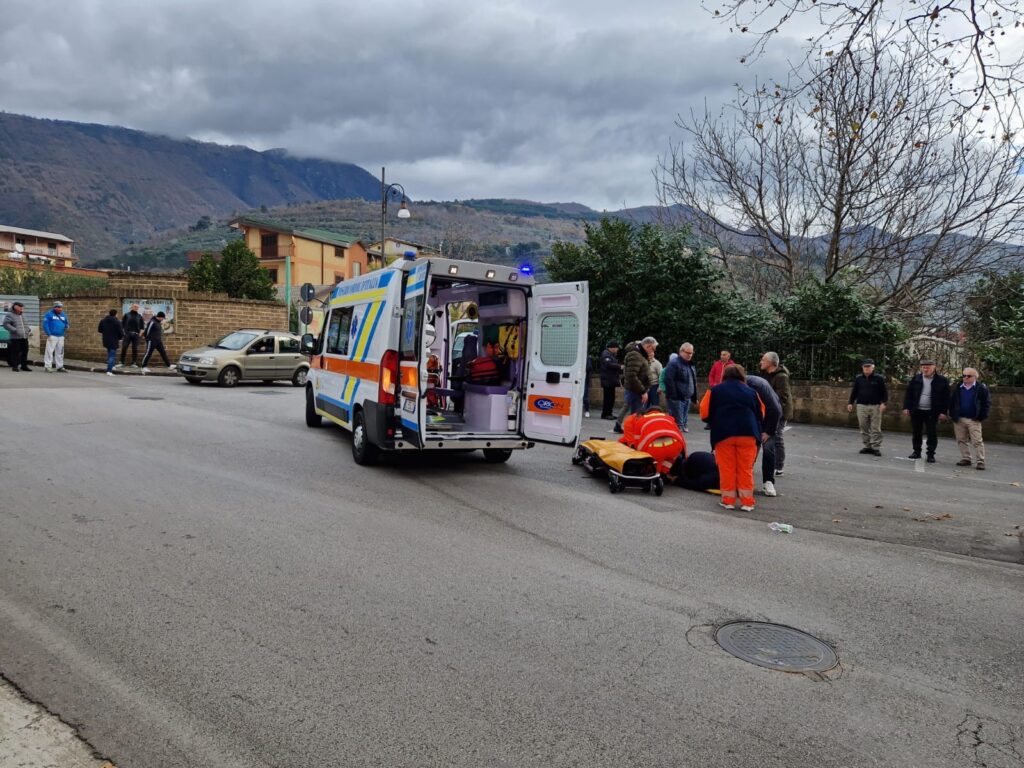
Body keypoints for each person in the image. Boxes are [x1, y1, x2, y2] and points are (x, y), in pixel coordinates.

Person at [700, 363, 764, 512]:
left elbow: (704, 413)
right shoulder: (752, 392)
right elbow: (761, 413)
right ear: (742, 376)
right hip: (748, 433)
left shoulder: (714, 391)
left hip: (723, 434)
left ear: (724, 375)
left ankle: (728, 501)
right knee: (745, 469)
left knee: (726, 469)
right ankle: (747, 502)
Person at [902, 359, 950, 463]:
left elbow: (946, 398)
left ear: (934, 368)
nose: (925, 369)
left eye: (928, 367)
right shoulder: (916, 378)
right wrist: (906, 407)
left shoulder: (942, 380)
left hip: (932, 411)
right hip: (917, 410)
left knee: (932, 433)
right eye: (923, 367)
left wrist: (943, 412)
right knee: (916, 432)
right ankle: (916, 451)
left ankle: (930, 454)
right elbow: (909, 394)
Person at [746, 373, 782, 497]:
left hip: (770, 418)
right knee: (752, 447)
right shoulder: (745, 385)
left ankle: (768, 482)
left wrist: (769, 431)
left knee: (768, 448)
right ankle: (746, 477)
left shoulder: (756, 386)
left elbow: (776, 410)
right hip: (756, 417)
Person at [949, 367, 991, 470]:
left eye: (969, 376)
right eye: (964, 375)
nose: (966, 378)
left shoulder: (981, 388)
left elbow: (986, 404)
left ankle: (980, 461)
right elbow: (953, 401)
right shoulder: (958, 387)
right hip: (959, 418)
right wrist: (952, 414)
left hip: (974, 419)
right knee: (961, 439)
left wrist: (981, 417)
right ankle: (966, 458)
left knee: (977, 441)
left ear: (975, 377)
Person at [759, 351, 793, 476]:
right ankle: (771, 464)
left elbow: (782, 397)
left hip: (779, 412)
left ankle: (778, 466)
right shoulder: (765, 373)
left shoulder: (781, 377)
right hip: (769, 410)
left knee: (777, 436)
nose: (761, 362)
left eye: (763, 360)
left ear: (771, 363)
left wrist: (773, 408)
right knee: (767, 437)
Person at [847, 359, 888, 456]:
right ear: (862, 367)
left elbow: (884, 392)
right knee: (863, 426)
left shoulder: (879, 378)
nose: (866, 368)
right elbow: (854, 391)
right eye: (865, 367)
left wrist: (884, 403)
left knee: (875, 428)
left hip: (876, 406)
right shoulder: (859, 378)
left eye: (869, 367)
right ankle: (867, 446)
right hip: (861, 406)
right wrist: (850, 403)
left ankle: (876, 447)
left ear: (873, 367)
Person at [617, 337, 657, 431]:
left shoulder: (640, 354)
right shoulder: (636, 355)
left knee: (632, 410)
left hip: (637, 389)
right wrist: (643, 391)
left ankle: (622, 427)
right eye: (653, 349)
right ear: (648, 346)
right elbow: (631, 376)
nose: (654, 351)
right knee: (636, 412)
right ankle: (629, 429)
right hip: (636, 390)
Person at [664, 343, 698, 433]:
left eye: (691, 353)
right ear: (681, 351)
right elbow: (668, 380)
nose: (690, 355)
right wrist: (674, 396)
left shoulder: (690, 364)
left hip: (687, 397)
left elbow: (693, 381)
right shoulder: (673, 363)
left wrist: (694, 397)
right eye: (688, 353)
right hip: (677, 398)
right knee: (678, 424)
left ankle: (681, 429)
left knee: (682, 423)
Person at [704, 349, 732, 429]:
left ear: (728, 356)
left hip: (726, 390)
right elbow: (711, 375)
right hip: (715, 389)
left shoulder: (732, 365)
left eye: (724, 355)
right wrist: (712, 384)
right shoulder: (716, 364)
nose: (722, 356)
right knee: (712, 406)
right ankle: (710, 423)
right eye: (721, 354)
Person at [3, 301, 32, 372]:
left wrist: (28, 330)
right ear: (15, 307)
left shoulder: (23, 315)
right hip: (15, 337)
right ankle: (15, 366)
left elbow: (25, 324)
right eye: (20, 307)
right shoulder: (10, 314)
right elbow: (6, 324)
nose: (22, 308)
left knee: (25, 351)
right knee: (15, 352)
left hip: (24, 336)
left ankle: (24, 366)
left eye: (22, 307)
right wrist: (15, 330)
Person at [42, 301, 70, 372]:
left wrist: (67, 326)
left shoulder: (63, 314)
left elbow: (66, 322)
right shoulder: (49, 314)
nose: (60, 309)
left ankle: (60, 366)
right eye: (58, 307)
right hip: (52, 335)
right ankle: (48, 366)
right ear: (54, 307)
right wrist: (49, 334)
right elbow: (45, 324)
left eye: (61, 307)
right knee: (49, 351)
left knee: (60, 352)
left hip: (61, 336)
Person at [598, 341, 622, 420]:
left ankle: (609, 413)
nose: (617, 349)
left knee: (611, 398)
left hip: (610, 380)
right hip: (607, 380)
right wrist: (619, 366)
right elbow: (608, 364)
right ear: (612, 348)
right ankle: (605, 414)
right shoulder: (605, 354)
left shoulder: (610, 354)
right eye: (616, 348)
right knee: (608, 398)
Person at [98, 308, 124, 376]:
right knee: (111, 356)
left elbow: (100, 330)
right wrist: (119, 338)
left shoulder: (103, 321)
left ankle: (112, 366)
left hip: (106, 339)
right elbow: (121, 332)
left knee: (110, 354)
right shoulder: (117, 322)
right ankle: (109, 371)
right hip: (114, 340)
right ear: (116, 314)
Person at [119, 303, 145, 367]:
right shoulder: (126, 315)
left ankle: (134, 363)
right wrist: (124, 333)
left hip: (136, 334)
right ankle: (121, 362)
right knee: (124, 347)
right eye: (134, 306)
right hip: (127, 334)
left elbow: (142, 327)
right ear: (131, 307)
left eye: (137, 307)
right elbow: (122, 325)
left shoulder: (139, 316)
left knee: (135, 348)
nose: (136, 308)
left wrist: (139, 334)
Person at [583, 353, 594, 418]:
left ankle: (587, 411)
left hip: (585, 379)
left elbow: (589, 367)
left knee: (585, 396)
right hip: (581, 378)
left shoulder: (587, 358)